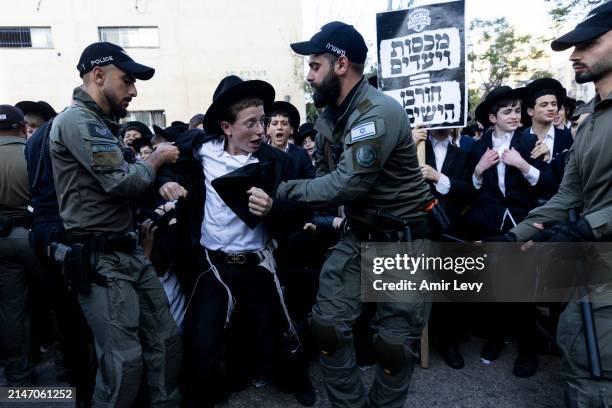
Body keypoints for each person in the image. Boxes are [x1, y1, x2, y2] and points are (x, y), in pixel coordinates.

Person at [277, 21, 437, 408]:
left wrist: (283, 190)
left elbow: (345, 185)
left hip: (403, 243)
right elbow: (323, 175)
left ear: (342, 64)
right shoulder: (331, 117)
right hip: (359, 236)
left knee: (393, 345)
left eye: (315, 66)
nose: (310, 75)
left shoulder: (375, 113)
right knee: (327, 327)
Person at [156, 75, 311, 407]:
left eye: (264, 122)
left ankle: (296, 381)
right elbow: (167, 162)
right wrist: (166, 183)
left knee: (279, 332)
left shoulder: (277, 162)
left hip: (259, 263)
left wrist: (274, 208)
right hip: (213, 265)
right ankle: (208, 392)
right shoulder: (199, 150)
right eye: (251, 123)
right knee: (204, 338)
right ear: (226, 127)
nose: (261, 131)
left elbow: (301, 210)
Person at [49, 41, 182, 407]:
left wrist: (157, 179)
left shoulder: (101, 125)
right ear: (98, 75)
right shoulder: (77, 121)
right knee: (123, 363)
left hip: (128, 252)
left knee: (166, 340)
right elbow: (123, 182)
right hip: (102, 261)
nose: (134, 90)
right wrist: (155, 158)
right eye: (127, 80)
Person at [506, 3, 612, 405]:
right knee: (579, 363)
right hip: (590, 271)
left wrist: (587, 226)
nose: (575, 55)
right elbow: (570, 194)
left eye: (590, 43)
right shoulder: (592, 120)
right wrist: (511, 237)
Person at [466, 85, 556, 377]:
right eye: (508, 111)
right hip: (491, 224)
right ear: (493, 117)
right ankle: (496, 338)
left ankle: (528, 350)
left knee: (524, 288)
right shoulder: (479, 146)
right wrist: (478, 171)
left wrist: (523, 166)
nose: (515, 115)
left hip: (523, 223)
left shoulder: (532, 140)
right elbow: (470, 191)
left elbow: (551, 187)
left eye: (518, 110)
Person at [412, 125, 472, 369]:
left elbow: (470, 191)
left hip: (450, 231)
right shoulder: (412, 150)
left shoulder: (462, 154)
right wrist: (408, 143)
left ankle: (448, 342)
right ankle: (415, 340)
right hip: (418, 229)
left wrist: (439, 178)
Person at [0, 104, 36, 387]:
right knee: (59, 299)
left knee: (12, 309)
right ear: (22, 127)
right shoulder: (32, 150)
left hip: (1, 240)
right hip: (35, 234)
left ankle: (18, 374)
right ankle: (68, 366)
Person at [523, 78, 573, 190]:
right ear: (530, 111)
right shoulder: (518, 139)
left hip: (560, 201)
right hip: (526, 205)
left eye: (554, 104)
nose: (551, 108)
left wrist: (551, 160)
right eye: (544, 105)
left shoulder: (569, 138)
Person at [267, 101, 315, 179]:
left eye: (284, 123)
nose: (279, 127)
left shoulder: (302, 155)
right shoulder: (257, 154)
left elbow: (310, 183)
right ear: (268, 129)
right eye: (275, 123)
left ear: (291, 130)